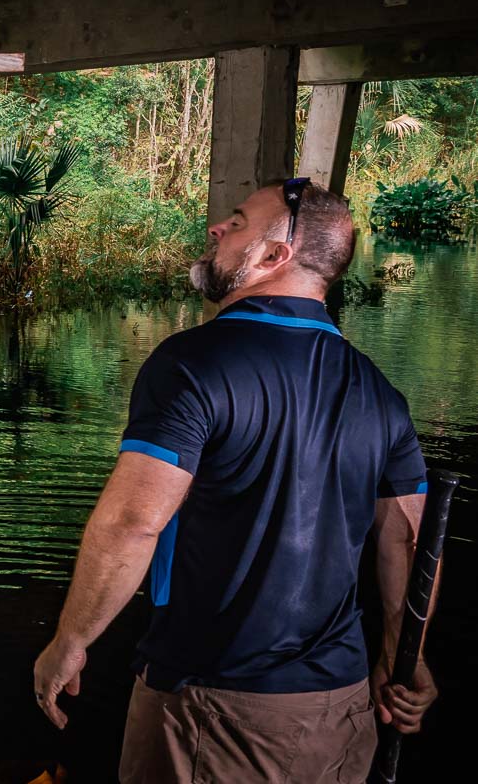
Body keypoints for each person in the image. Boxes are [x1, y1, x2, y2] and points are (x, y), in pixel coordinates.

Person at [32, 179, 439, 782]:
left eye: (239, 222)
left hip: (212, 712)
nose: (217, 228)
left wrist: (70, 641)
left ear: (274, 255)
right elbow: (407, 541)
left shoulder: (193, 364)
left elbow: (134, 523)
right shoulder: (381, 393)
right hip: (341, 710)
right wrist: (404, 656)